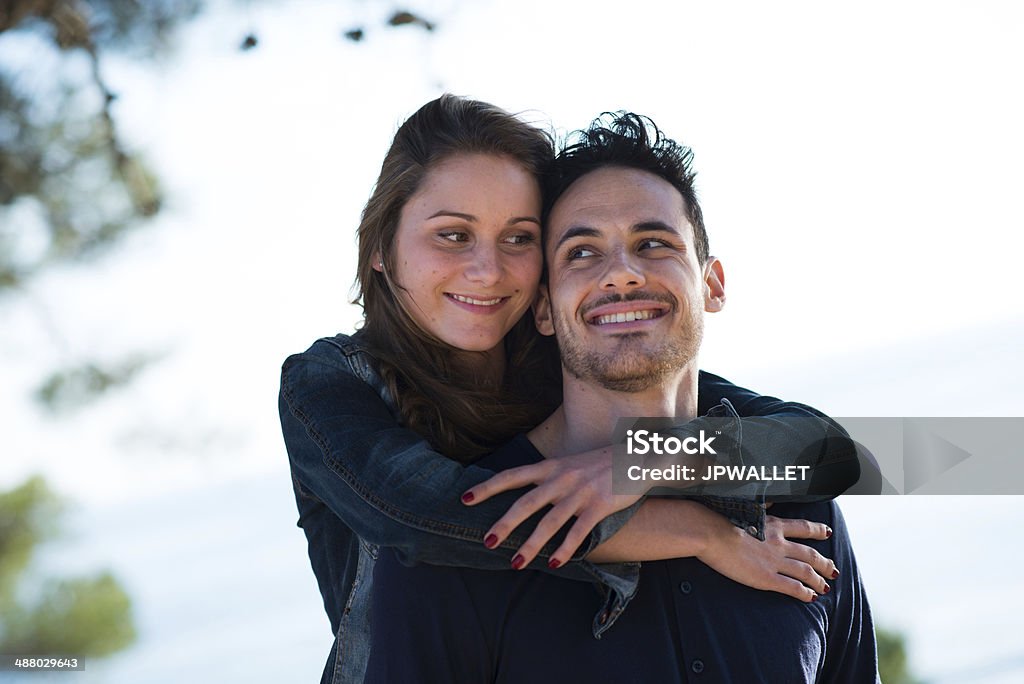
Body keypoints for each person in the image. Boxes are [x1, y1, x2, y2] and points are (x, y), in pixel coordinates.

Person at [278, 96, 858, 684]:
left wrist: (634, 462)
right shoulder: (331, 383)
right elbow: (425, 519)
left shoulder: (577, 363)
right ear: (379, 248)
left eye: (519, 237)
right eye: (453, 235)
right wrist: (704, 534)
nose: (488, 270)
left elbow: (844, 453)